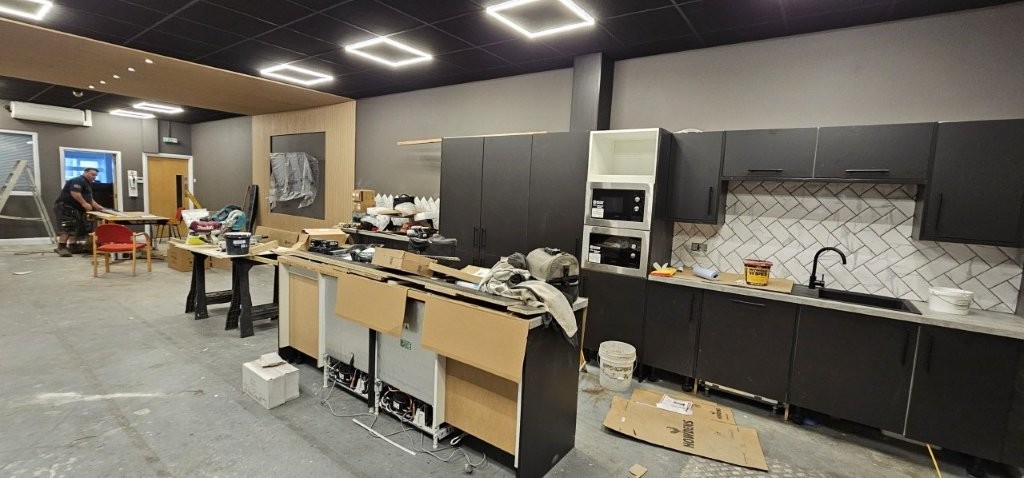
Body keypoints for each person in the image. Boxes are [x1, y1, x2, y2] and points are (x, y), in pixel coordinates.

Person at [53, 167, 107, 257]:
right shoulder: (78, 180)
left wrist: (100, 208)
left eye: (95, 175)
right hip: (66, 207)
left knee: (76, 226)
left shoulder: (87, 184)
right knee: (68, 226)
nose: (94, 177)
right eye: (92, 174)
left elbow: (90, 199)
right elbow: (75, 193)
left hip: (75, 209)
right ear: (85, 172)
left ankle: (72, 246)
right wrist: (84, 203)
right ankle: (61, 247)